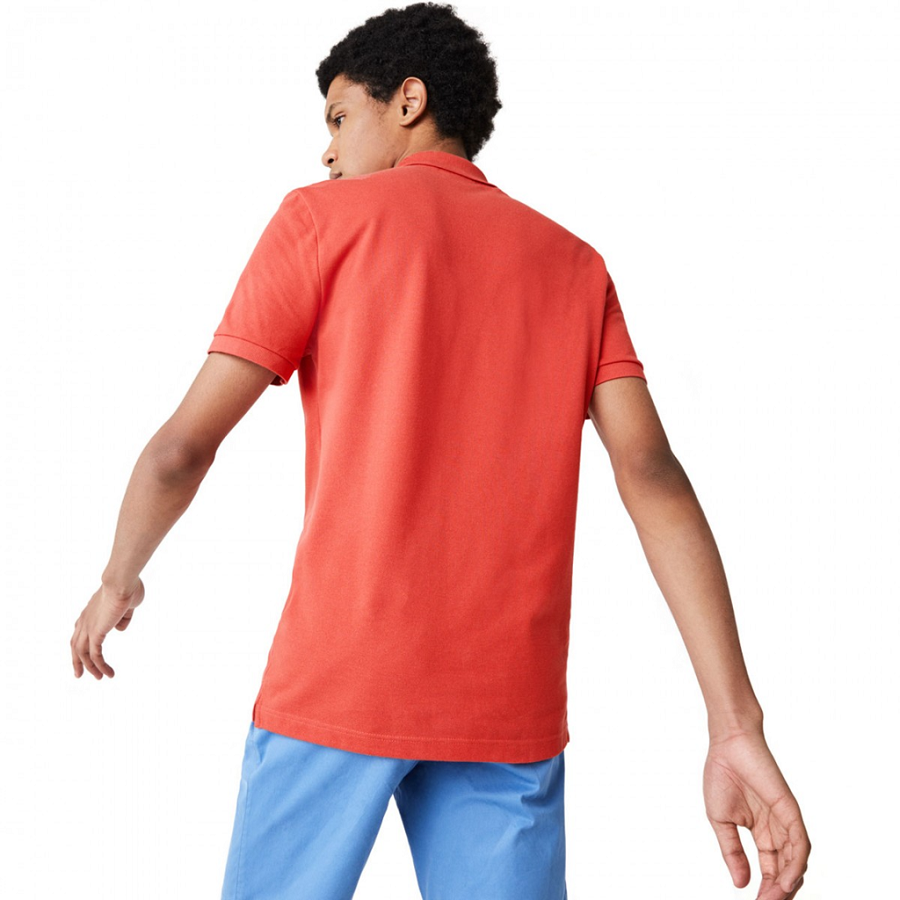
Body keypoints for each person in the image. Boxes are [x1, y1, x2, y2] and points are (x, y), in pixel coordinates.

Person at [69, 3, 810, 899]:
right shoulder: (575, 266)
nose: (327, 152)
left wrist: (118, 576)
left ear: (408, 101)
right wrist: (735, 723)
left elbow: (181, 449)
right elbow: (652, 478)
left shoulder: (318, 222)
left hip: (338, 684)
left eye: (340, 117)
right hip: (507, 709)